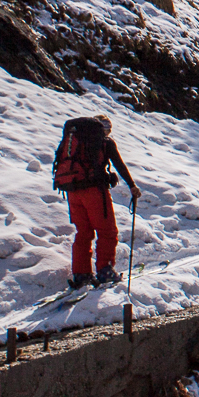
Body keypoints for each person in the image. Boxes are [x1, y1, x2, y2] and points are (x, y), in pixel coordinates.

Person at [54, 114, 138, 289]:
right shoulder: (105, 143)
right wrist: (132, 186)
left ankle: (81, 274)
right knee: (107, 231)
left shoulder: (75, 142)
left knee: (83, 232)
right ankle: (105, 271)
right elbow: (119, 165)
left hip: (73, 191)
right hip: (94, 192)